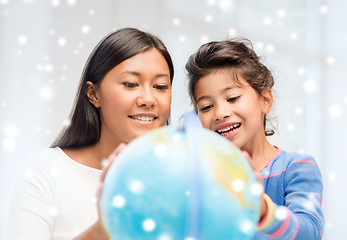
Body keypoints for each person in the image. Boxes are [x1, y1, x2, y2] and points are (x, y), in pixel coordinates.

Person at [6, 27, 174, 240]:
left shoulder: (182, 180)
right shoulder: (44, 172)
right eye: (131, 84)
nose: (148, 99)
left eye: (160, 86)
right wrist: (101, 232)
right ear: (93, 94)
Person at [185, 38, 324, 239]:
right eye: (206, 106)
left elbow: (309, 232)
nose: (220, 113)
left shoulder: (297, 168)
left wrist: (263, 211)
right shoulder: (201, 177)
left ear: (265, 100)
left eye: (232, 98)